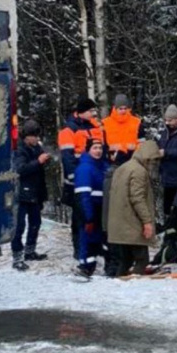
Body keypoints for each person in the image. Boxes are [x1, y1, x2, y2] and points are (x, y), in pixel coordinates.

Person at [107, 140, 162, 276]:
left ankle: (119, 283)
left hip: (119, 223)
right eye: (154, 160)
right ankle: (135, 285)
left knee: (125, 261)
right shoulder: (139, 171)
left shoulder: (122, 168)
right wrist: (147, 222)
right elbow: (137, 198)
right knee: (142, 260)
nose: (154, 164)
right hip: (132, 224)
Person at [58, 98, 102, 259]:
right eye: (91, 111)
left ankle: (93, 247)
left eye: (94, 111)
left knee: (94, 214)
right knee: (79, 216)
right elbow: (67, 157)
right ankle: (79, 249)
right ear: (81, 112)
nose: (93, 113)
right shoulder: (68, 130)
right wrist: (73, 176)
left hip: (94, 178)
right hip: (78, 180)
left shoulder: (95, 127)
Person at [11, 119, 50, 271]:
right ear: (26, 136)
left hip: (35, 192)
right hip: (22, 193)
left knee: (35, 223)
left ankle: (30, 251)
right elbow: (20, 170)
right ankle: (17, 257)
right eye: (34, 136)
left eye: (37, 136)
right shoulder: (20, 150)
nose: (36, 139)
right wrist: (38, 162)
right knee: (19, 226)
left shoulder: (37, 148)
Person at [73, 137, 108, 278]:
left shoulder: (103, 166)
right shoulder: (85, 168)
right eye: (95, 148)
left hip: (101, 209)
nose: (98, 151)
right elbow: (83, 196)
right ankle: (85, 267)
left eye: (100, 148)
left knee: (96, 239)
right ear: (88, 150)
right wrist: (88, 217)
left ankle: (94, 265)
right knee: (87, 238)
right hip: (90, 209)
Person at [157, 104, 177, 219]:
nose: (167, 123)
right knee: (166, 205)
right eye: (166, 120)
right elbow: (160, 144)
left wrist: (166, 153)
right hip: (166, 176)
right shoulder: (165, 132)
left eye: (170, 120)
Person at [102, 94, 145, 166]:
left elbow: (142, 143)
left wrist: (135, 148)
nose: (123, 111)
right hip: (113, 162)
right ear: (115, 108)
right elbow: (103, 144)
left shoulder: (137, 122)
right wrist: (109, 154)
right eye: (120, 109)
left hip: (133, 160)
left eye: (125, 108)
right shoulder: (105, 123)